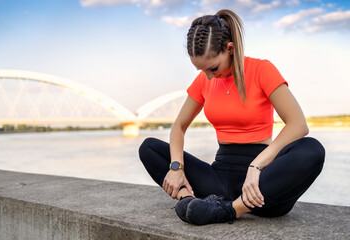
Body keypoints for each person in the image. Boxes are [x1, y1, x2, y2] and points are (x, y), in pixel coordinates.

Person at [138, 9, 325, 225]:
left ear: (230, 48)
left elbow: (298, 125)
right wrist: (176, 168)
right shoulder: (205, 79)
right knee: (149, 148)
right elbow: (179, 126)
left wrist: (256, 167)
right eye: (202, 70)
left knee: (312, 149)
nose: (209, 76)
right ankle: (188, 201)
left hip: (261, 185)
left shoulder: (261, 70)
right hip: (218, 181)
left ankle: (228, 210)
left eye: (213, 68)